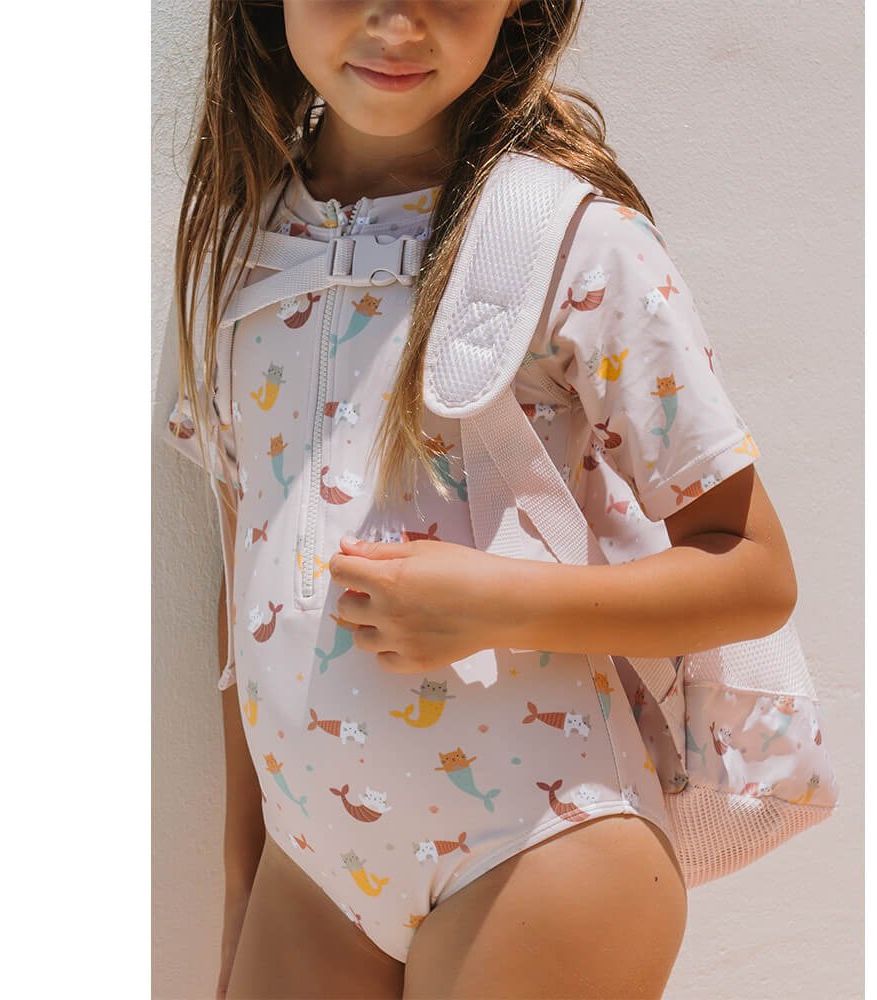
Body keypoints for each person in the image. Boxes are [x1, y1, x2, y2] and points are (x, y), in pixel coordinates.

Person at [155, 2, 799, 997]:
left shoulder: (569, 239)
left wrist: (500, 603)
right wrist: (243, 881)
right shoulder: (241, 243)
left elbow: (754, 573)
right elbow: (246, 587)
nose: (396, 17)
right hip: (308, 870)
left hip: (541, 848)